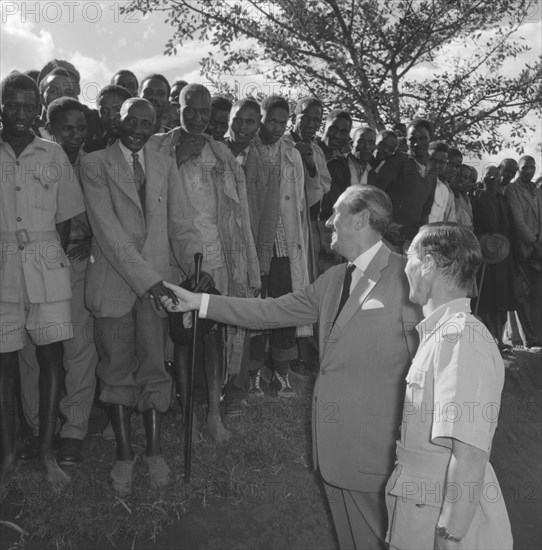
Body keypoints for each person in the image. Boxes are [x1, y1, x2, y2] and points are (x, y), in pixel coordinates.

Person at [160, 186, 421, 550]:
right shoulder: (333, 280)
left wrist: (417, 455)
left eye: (337, 213)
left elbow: (426, 376)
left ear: (361, 219)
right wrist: (200, 303)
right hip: (332, 452)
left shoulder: (408, 277)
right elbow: (270, 311)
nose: (328, 221)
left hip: (378, 454)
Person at [386, 223, 513, 550]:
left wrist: (449, 536)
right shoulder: (444, 335)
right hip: (423, 505)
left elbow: (469, 455)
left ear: (427, 264)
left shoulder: (460, 339)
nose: (405, 266)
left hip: (440, 519)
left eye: (409, 256)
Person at [80, 98, 183, 495]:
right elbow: (108, 233)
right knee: (116, 370)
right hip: (113, 284)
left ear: (156, 125)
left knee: (155, 367)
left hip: (157, 283)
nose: (139, 129)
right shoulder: (94, 164)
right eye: (132, 120)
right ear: (116, 120)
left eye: (147, 123)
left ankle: (155, 452)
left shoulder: (163, 162)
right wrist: (150, 280)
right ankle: (125, 456)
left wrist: (194, 262)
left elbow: (181, 220)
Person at [147, 83, 260, 441]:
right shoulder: (157, 147)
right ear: (175, 108)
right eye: (189, 110)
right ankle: (188, 417)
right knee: (182, 338)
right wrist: (177, 158)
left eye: (204, 112)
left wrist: (249, 266)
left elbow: (239, 215)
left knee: (213, 337)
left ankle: (214, 411)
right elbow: (148, 198)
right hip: (175, 256)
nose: (197, 118)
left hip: (218, 258)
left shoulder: (222, 154)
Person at [0, 72, 85, 486]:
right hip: (2, 270)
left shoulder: (52, 154)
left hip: (46, 265)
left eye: (27, 106)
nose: (19, 114)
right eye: (10, 105)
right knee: (5, 362)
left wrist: (50, 257)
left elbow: (65, 218)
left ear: (38, 110)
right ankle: (8, 455)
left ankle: (47, 453)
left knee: (51, 357)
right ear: (0, 106)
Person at [17, 97, 99, 466]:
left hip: (78, 263)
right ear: (49, 128)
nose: (75, 136)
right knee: (33, 349)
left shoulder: (94, 162)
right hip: (32, 266)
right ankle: (38, 426)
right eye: (67, 128)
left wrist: (92, 240)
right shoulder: (33, 157)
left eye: (81, 129)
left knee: (78, 349)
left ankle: (74, 429)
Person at [471, 166, 516, 351]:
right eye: (489, 175)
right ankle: (488, 341)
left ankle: (501, 339)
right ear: (483, 176)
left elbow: (510, 226)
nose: (492, 178)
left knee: (502, 299)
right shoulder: (475, 198)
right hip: (485, 253)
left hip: (504, 254)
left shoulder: (503, 200)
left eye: (496, 176)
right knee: (486, 298)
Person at [286, 96, 331, 280]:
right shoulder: (283, 143)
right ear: (294, 118)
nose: (311, 124)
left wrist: (310, 164)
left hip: (307, 221)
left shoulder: (317, 150)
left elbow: (324, 185)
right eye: (305, 118)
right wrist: (294, 154)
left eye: (316, 120)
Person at [376, 118, 437, 247]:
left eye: (422, 139)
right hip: (383, 237)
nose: (417, 144)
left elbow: (425, 211)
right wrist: (387, 226)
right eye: (412, 139)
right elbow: (375, 193)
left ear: (430, 138)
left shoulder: (432, 172)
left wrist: (421, 238)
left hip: (409, 241)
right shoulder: (399, 160)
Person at [505, 155, 542, 352]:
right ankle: (530, 340)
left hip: (538, 250)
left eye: (532, 167)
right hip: (525, 249)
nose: (529, 170)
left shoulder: (535, 190)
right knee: (523, 296)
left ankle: (538, 338)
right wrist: (534, 244)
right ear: (519, 169)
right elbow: (518, 221)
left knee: (537, 297)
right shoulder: (513, 189)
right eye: (525, 167)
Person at [84, 85, 132, 152]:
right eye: (104, 111)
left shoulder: (146, 147)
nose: (111, 116)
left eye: (117, 110)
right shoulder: (90, 151)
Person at [427, 141, 456, 223]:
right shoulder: (413, 180)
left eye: (441, 162)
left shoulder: (444, 191)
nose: (437, 166)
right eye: (433, 160)